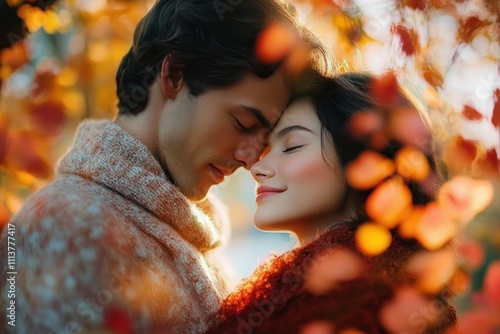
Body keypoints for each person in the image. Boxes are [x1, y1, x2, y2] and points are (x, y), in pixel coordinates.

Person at [0, 1, 327, 333]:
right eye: (243, 123)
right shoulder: (65, 225)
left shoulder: (186, 234)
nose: (250, 159)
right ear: (174, 75)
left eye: (266, 139)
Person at [205, 72, 457, 334]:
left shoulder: (357, 297)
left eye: (292, 146)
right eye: (266, 150)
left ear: (363, 160)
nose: (257, 167)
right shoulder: (308, 287)